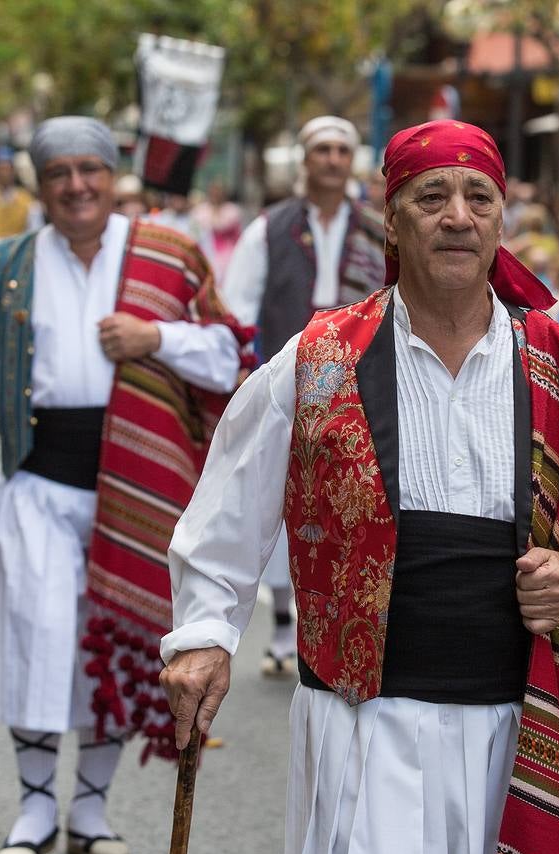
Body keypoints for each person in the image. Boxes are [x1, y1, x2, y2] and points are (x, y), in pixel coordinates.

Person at [161, 119, 559, 854]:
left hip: (513, 726)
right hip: (363, 728)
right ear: (391, 215)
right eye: (431, 196)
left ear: (504, 219)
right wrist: (204, 635)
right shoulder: (319, 359)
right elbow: (223, 515)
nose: (457, 216)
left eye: (479, 197)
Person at [0, 116, 248, 854]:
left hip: (138, 492)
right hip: (38, 487)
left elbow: (226, 354)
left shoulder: (170, 255)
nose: (77, 186)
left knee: (115, 642)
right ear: (39, 184)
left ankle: (89, 807)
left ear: (113, 175)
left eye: (91, 170)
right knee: (37, 640)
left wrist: (158, 340)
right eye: (60, 174)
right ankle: (35, 806)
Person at [219, 115, 386, 677]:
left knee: (344, 499)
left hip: (358, 385)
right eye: (323, 150)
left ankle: (339, 618)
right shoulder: (270, 227)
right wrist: (247, 372)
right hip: (287, 380)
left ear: (353, 161)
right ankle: (287, 622)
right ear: (305, 161)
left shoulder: (378, 226)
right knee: (284, 498)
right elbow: (238, 308)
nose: (333, 160)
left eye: (343, 150)